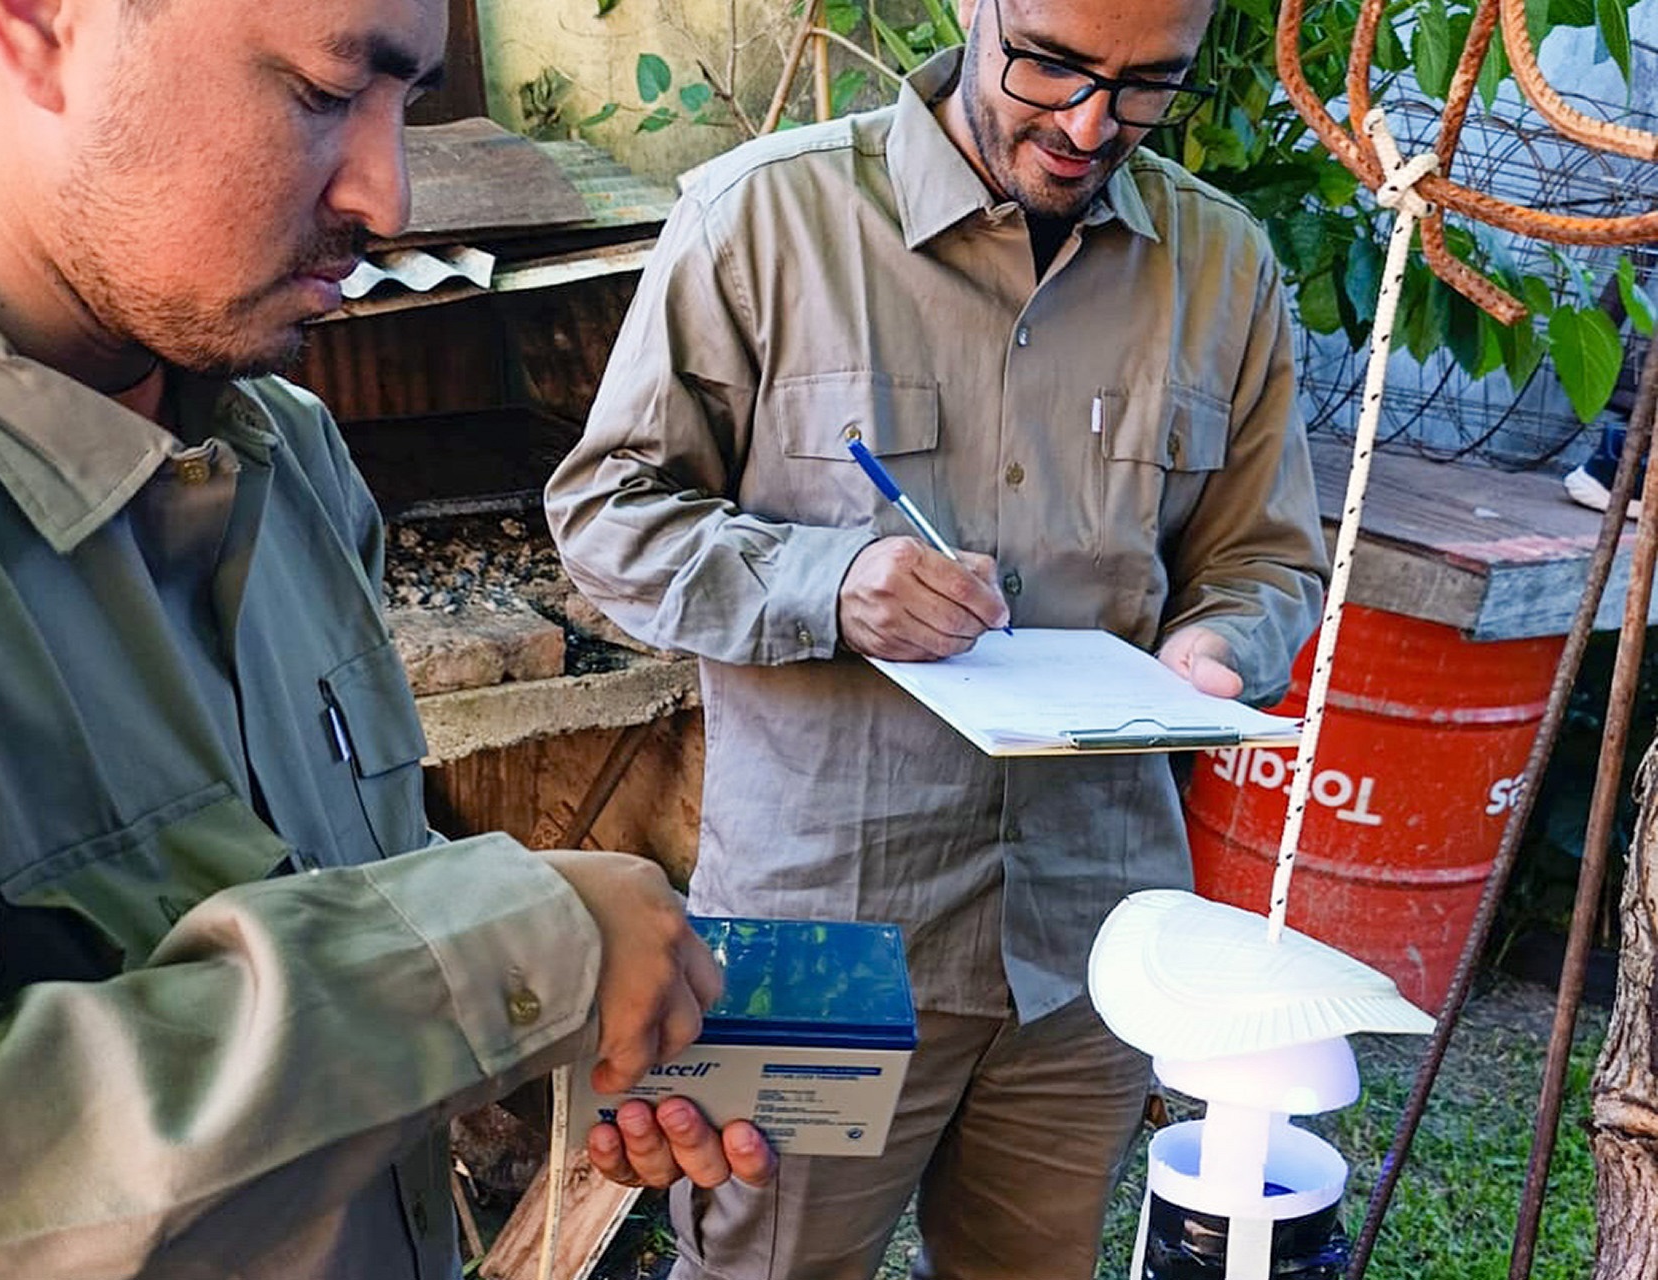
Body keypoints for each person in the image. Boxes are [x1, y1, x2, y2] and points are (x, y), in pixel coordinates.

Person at [0, 0, 771, 1271]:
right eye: (323, 92)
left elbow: (331, 891)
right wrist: (498, 952)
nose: (391, 197)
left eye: (408, 99)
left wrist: (525, 1029)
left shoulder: (278, 442)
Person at [545, 0, 1330, 1273]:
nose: (1090, 125)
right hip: (824, 935)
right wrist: (830, 578)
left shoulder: (1223, 269)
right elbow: (605, 515)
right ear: (975, 9)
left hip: (1095, 943)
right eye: (1052, 65)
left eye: (1146, 87)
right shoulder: (762, 224)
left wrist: (1224, 647)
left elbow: (1263, 555)